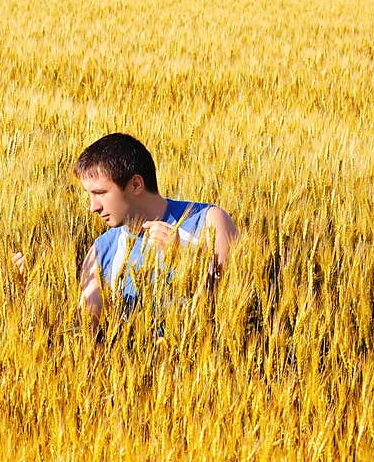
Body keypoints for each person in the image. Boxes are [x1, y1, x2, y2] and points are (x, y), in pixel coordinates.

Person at [12, 132, 239, 337]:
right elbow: (87, 331)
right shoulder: (102, 250)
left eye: (100, 193)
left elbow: (235, 304)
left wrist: (185, 261)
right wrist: (33, 290)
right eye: (89, 195)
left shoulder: (208, 222)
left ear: (136, 185)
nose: (93, 207)